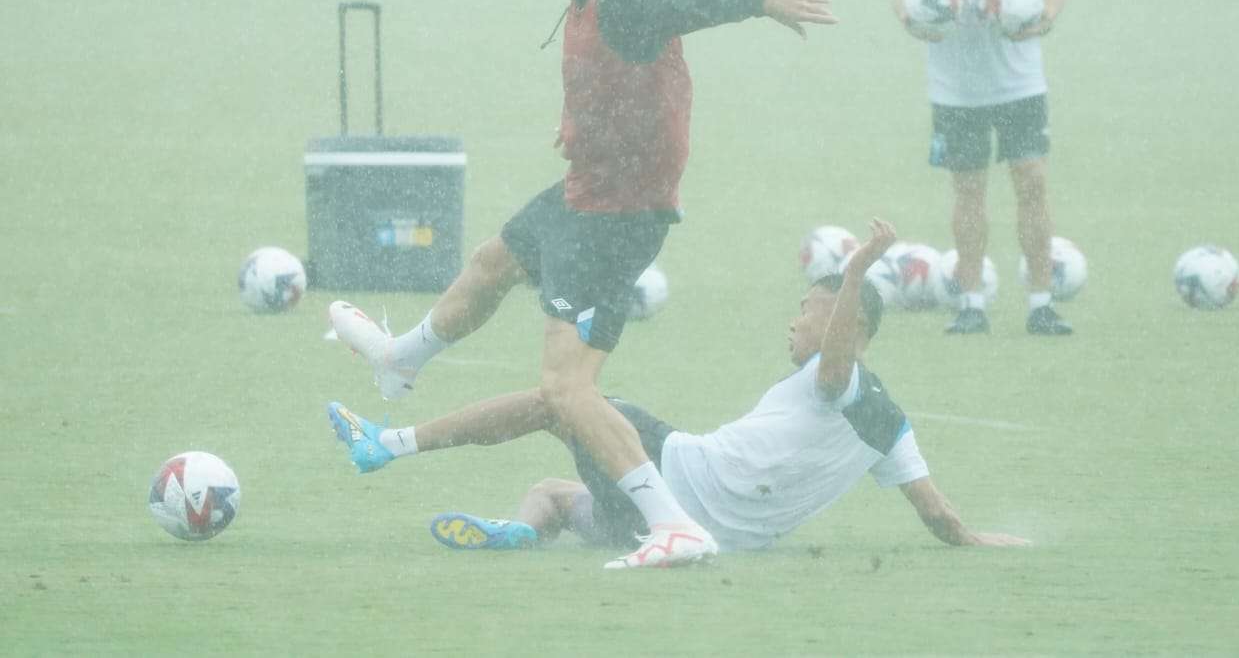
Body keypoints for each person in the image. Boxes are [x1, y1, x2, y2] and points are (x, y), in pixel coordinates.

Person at [328, 0, 839, 569]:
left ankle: (672, 524)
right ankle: (401, 358)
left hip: (615, 221)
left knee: (566, 389)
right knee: (492, 262)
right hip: (582, 194)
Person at [328, 220, 1030, 560]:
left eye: (808, 311)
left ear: (848, 325)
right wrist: (1004, 541)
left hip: (676, 472)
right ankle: (523, 530)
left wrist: (853, 276)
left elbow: (841, 356)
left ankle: (386, 443)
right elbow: (944, 522)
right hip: (699, 529)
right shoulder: (891, 428)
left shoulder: (840, 386)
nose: (795, 318)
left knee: (560, 399)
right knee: (551, 490)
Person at [892, 0, 1072, 336]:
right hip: (956, 86)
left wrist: (1044, 18)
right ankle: (971, 302)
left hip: (1020, 80)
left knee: (1032, 183)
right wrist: (910, 19)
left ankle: (1041, 302)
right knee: (968, 190)